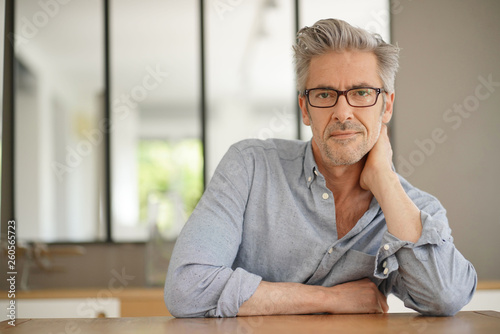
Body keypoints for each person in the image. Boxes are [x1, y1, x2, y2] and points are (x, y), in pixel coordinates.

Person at [164, 18, 477, 318]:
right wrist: (330, 299)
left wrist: (384, 179)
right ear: (305, 108)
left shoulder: (414, 211)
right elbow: (186, 288)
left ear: (388, 105)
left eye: (362, 93)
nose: (343, 112)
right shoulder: (250, 167)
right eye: (325, 94)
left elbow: (446, 296)